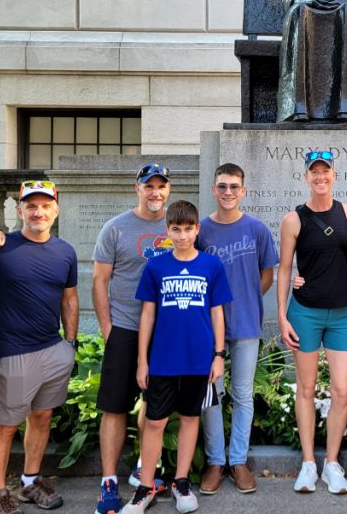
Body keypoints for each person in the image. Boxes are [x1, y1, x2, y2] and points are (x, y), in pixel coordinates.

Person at [122, 201, 233, 514]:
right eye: (176, 229)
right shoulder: (156, 267)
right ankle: (145, 487)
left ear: (197, 230)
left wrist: (219, 355)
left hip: (199, 359)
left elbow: (217, 313)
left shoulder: (211, 265)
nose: (182, 235)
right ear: (167, 231)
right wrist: (143, 360)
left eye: (188, 229)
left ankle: (181, 482)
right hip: (163, 359)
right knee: (155, 422)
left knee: (189, 418)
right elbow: (147, 315)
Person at [0, 181, 79, 514]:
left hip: (53, 349)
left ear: (56, 210)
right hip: (13, 351)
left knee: (41, 417)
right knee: (6, 424)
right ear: (20, 210)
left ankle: (29, 482)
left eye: (46, 206)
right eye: (31, 206)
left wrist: (70, 343)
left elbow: (69, 299)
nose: (39, 212)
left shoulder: (65, 251)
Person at [92, 162, 172, 514]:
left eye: (161, 186)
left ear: (168, 190)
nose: (155, 192)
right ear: (137, 189)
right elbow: (99, 281)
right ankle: (108, 480)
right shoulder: (116, 229)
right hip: (124, 327)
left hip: (165, 332)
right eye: (148, 186)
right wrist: (108, 328)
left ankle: (144, 467)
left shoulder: (178, 227)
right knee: (114, 406)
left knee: (154, 405)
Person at [276, 150, 347, 494]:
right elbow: (284, 269)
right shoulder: (293, 220)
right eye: (315, 172)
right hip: (305, 312)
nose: (320, 177)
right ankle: (309, 463)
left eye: (326, 172)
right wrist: (282, 316)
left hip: (342, 314)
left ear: (335, 176)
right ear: (306, 177)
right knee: (306, 389)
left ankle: (332, 463)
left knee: (341, 391)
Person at [197, 163, 279, 495]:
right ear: (214, 190)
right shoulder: (201, 230)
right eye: (222, 186)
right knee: (212, 394)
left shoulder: (257, 229)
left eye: (234, 186)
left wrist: (245, 298)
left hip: (246, 323)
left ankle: (238, 460)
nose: (228, 192)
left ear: (243, 191)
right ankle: (215, 462)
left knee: (243, 394)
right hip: (207, 326)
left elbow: (267, 273)